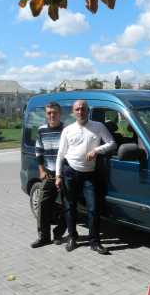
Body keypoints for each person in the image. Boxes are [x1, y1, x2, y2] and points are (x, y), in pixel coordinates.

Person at [55, 100, 116, 254]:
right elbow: (60, 154)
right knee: (69, 207)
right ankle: (72, 238)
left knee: (93, 208)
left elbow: (112, 143)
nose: (80, 112)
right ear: (73, 112)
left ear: (88, 110)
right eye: (77, 109)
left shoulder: (98, 126)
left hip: (90, 173)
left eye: (83, 109)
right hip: (69, 171)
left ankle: (94, 241)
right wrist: (57, 175)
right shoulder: (68, 130)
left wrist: (97, 150)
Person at [31, 102, 66, 248]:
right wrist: (41, 169)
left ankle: (58, 234)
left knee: (68, 206)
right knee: (43, 205)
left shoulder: (67, 130)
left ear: (60, 113)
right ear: (46, 114)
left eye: (55, 112)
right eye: (49, 113)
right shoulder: (41, 130)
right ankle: (44, 237)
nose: (52, 115)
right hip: (49, 174)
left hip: (65, 174)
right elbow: (38, 150)